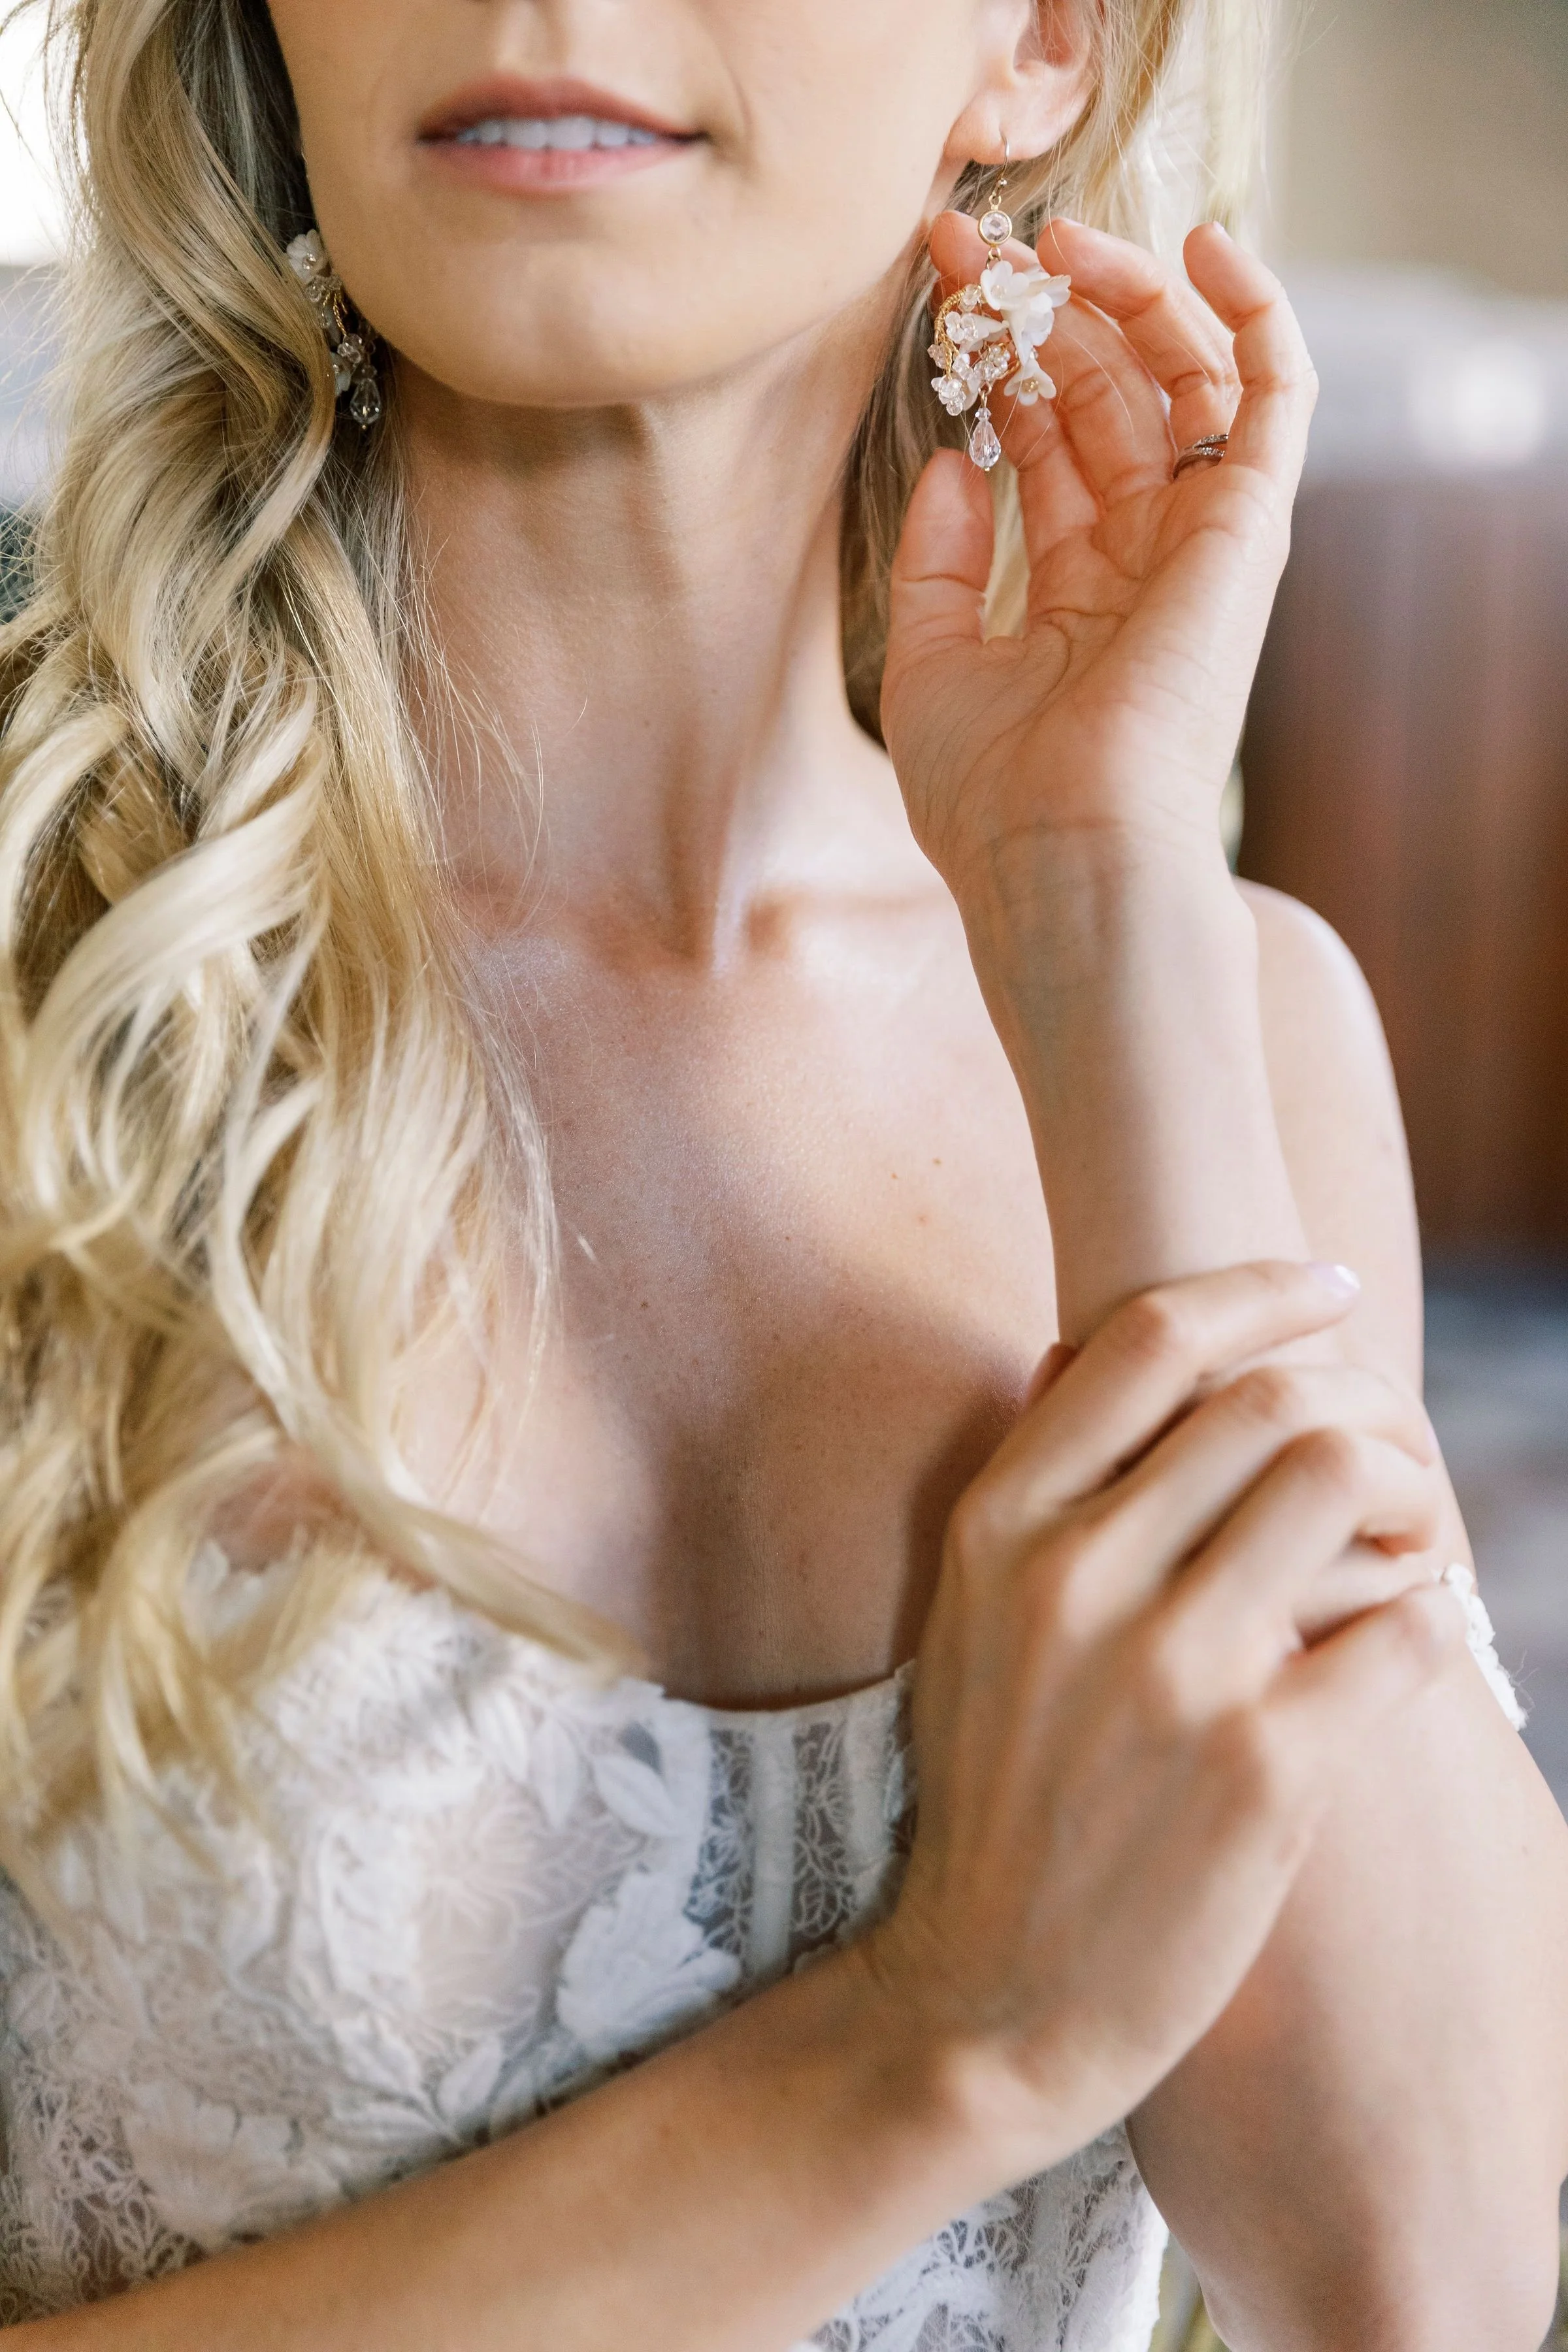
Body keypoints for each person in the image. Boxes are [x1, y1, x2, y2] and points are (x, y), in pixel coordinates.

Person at [0, 0, 1564, 2345]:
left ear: (1038, 43)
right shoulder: (54, 1006)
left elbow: (1420, 2276)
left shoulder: (1233, 1024)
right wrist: (931, 2047)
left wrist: (1100, 910)